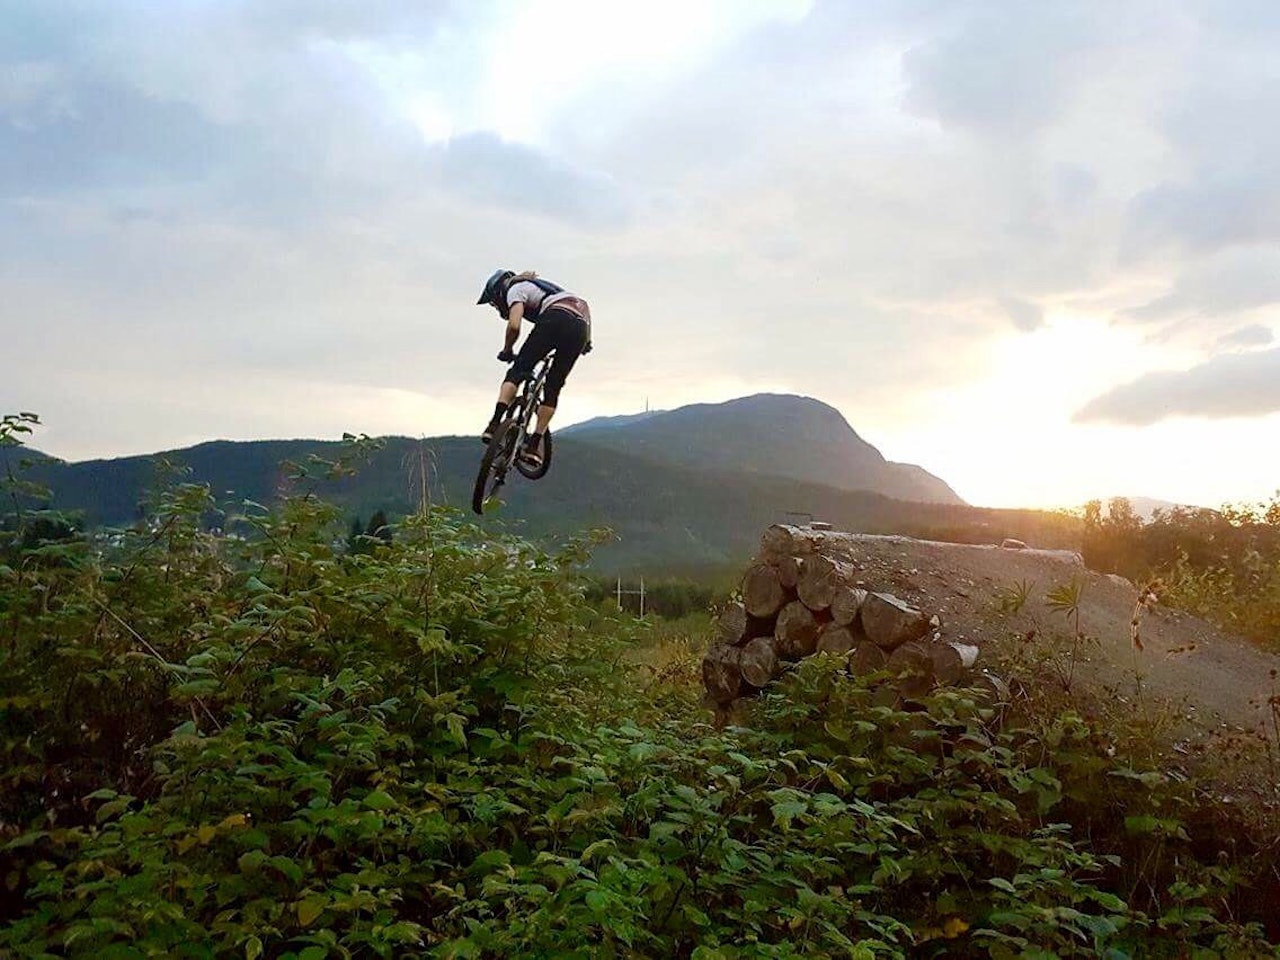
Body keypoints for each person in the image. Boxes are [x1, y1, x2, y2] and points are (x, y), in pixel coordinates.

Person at [476, 268, 592, 468]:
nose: (497, 309)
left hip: (555, 317)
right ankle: (534, 446)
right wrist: (585, 342)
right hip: (581, 327)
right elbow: (585, 321)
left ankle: (494, 424)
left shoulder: (515, 289)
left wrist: (507, 350)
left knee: (518, 370)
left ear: (498, 292)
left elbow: (514, 326)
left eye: (495, 304)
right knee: (553, 386)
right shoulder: (557, 292)